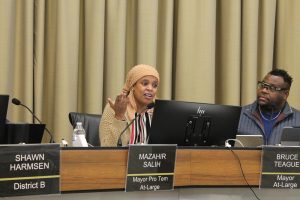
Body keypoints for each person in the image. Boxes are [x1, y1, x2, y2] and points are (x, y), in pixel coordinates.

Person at [100, 64, 160, 146]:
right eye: (145, 83)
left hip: (152, 158)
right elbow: (107, 148)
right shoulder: (114, 108)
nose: (150, 88)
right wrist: (119, 116)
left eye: (155, 85)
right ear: (133, 86)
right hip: (122, 159)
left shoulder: (158, 112)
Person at [238, 68, 300, 145]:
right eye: (263, 85)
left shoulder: (298, 119)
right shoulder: (239, 115)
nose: (263, 90)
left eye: (272, 88)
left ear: (285, 94)